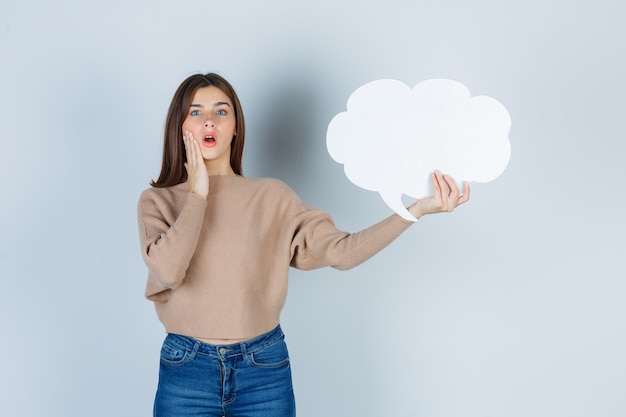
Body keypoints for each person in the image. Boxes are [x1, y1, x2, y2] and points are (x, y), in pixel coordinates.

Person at [137, 72, 470, 417]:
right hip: (186, 370)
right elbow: (168, 270)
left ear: (236, 127)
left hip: (261, 369)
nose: (209, 120)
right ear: (180, 126)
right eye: (196, 112)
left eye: (221, 111)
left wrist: (414, 211)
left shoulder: (272, 197)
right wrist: (198, 196)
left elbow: (342, 252)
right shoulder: (158, 201)